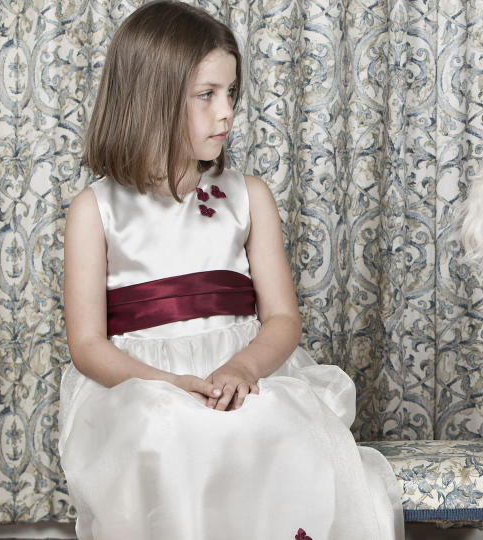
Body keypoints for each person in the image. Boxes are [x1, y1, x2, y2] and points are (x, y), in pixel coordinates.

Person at [58, 2, 403, 538]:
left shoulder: (247, 197)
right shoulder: (95, 210)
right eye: (207, 95)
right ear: (151, 98)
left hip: (238, 378)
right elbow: (87, 344)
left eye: (231, 94)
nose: (227, 113)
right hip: (143, 388)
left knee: (275, 425)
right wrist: (170, 384)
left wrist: (243, 369)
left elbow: (283, 318)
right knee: (165, 430)